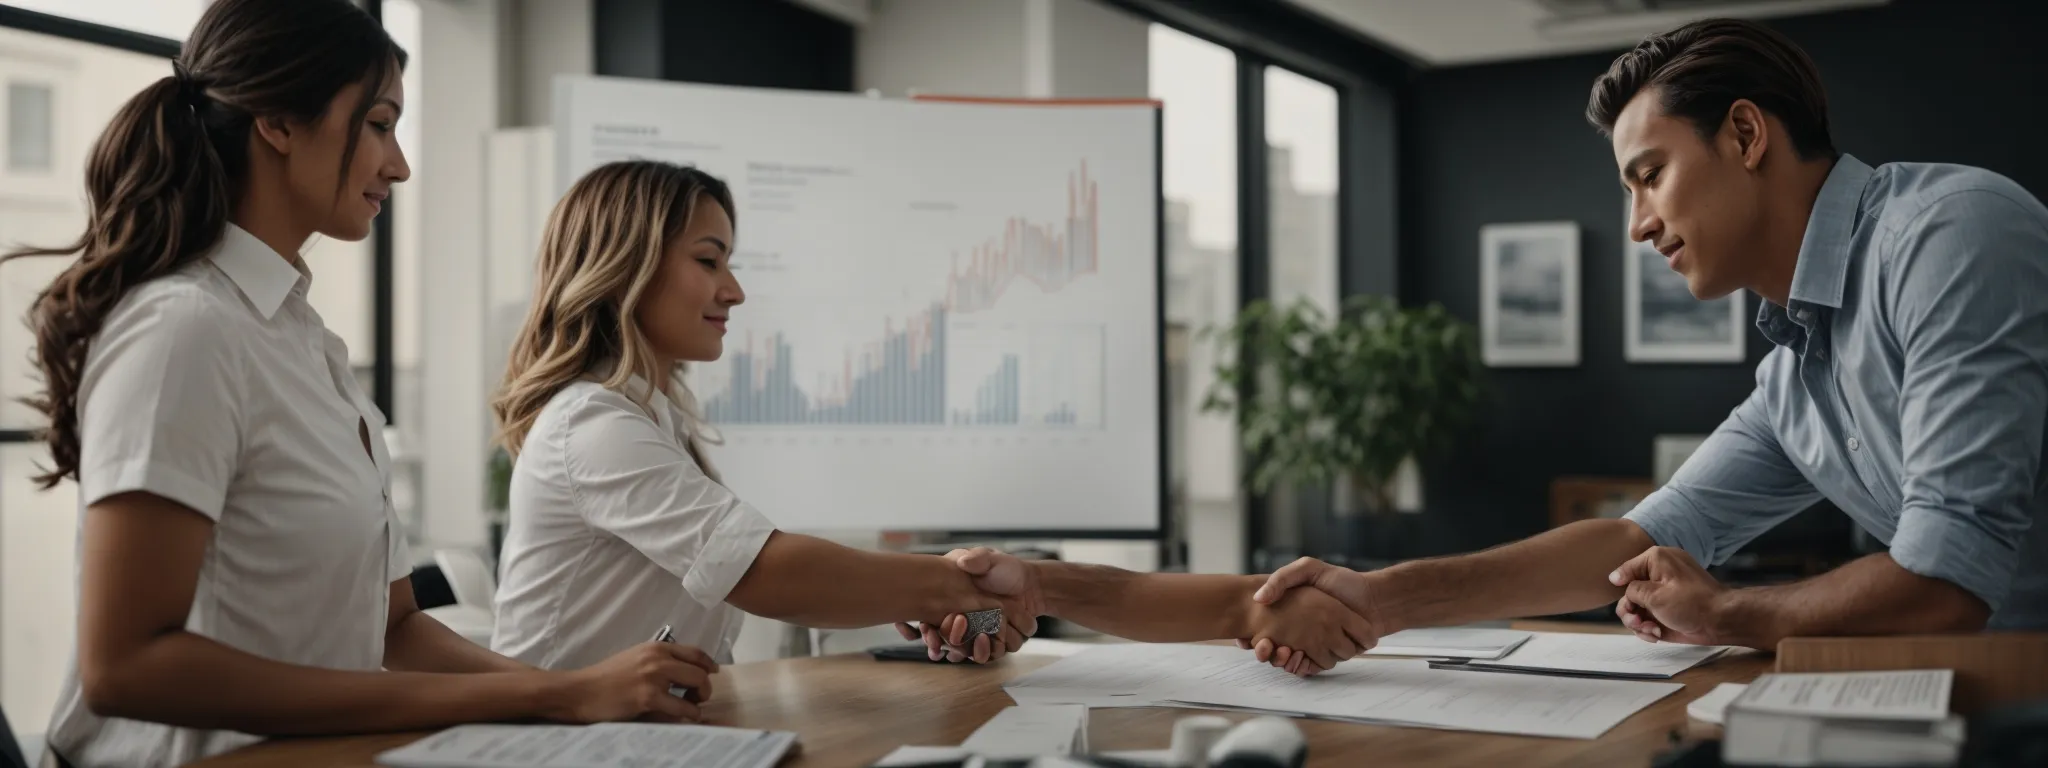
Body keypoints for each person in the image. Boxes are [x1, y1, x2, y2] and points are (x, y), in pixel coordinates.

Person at [9, 2, 724, 765]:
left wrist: (573, 697)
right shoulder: (185, 329)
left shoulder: (310, 346)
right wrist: (550, 696)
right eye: (380, 124)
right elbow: (127, 667)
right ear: (279, 122)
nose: (400, 163)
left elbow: (393, 630)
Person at [1231, 17, 2048, 675]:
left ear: (1745, 134)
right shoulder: (1795, 377)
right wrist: (1380, 598)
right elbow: (1636, 543)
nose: (1638, 225)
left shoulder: (1946, 235)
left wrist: (1723, 612)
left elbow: (1945, 581)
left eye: (1650, 174)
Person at [488, 159, 1378, 675]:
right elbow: (768, 575)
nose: (735, 290)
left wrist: (951, 583)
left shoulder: (643, 422)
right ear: (628, 264)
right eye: (709, 259)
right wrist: (959, 587)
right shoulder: (593, 428)